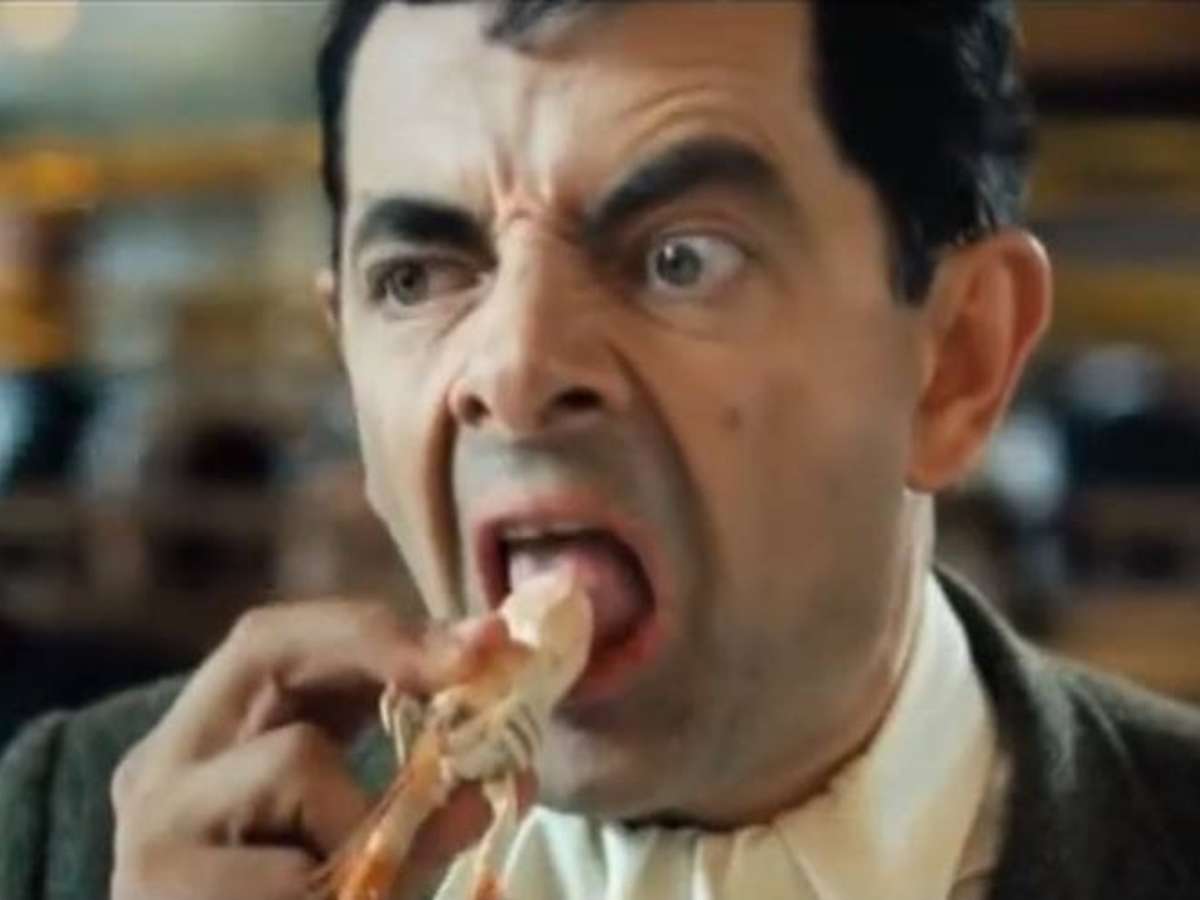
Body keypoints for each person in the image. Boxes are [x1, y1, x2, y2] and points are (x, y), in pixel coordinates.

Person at [3, 2, 1200, 898]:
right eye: (417, 276)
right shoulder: (65, 835)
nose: (513, 370)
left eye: (683, 258)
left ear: (956, 362)